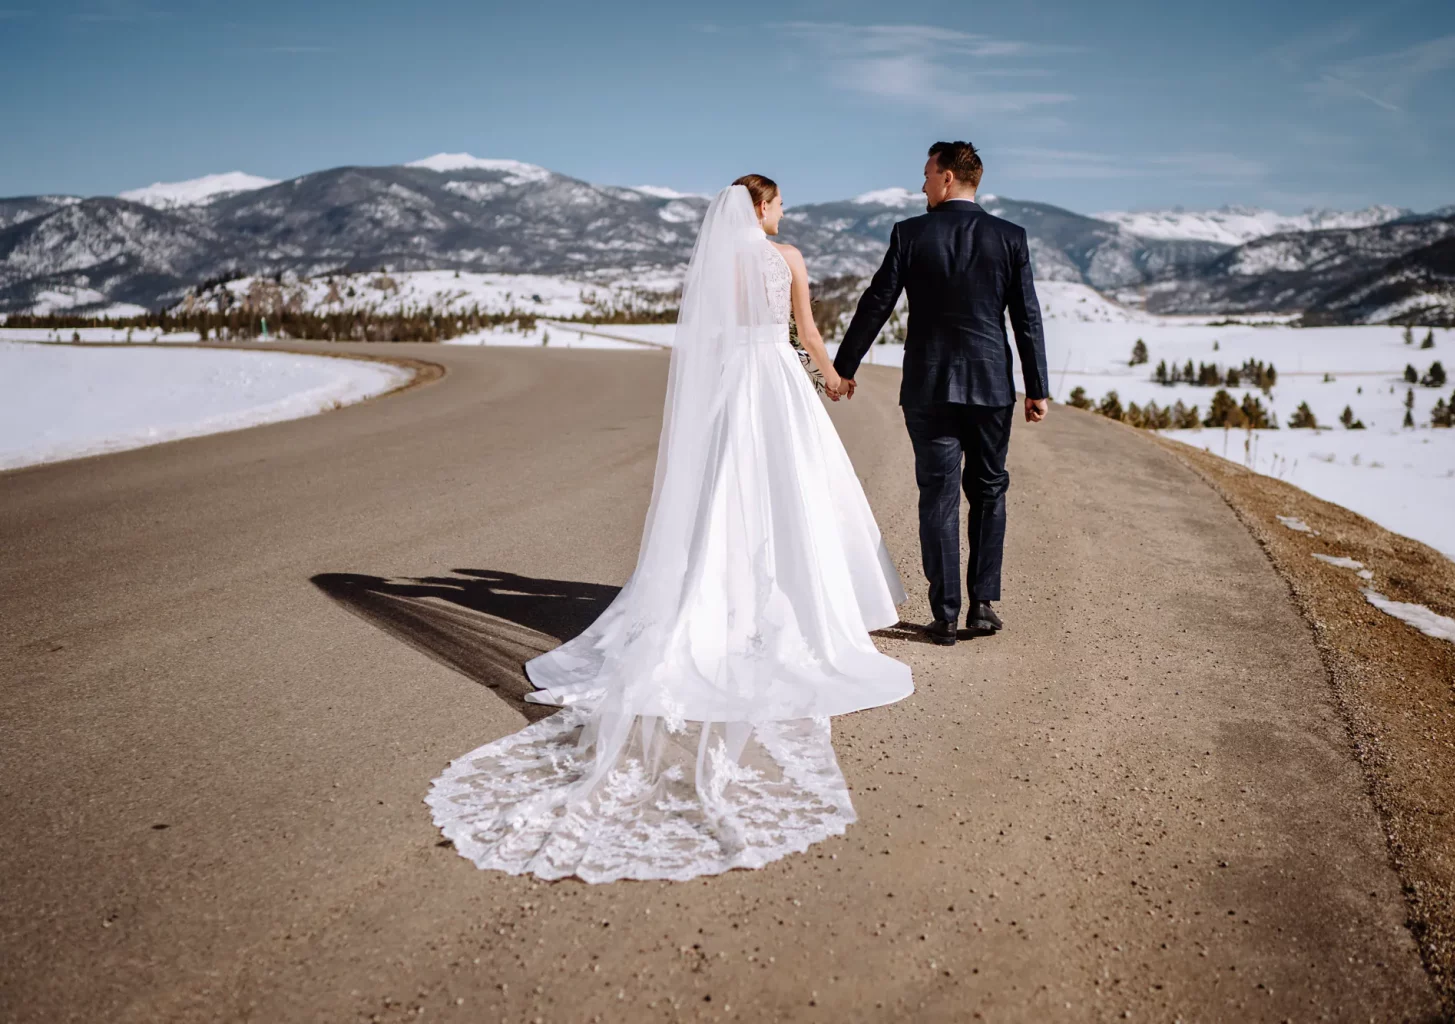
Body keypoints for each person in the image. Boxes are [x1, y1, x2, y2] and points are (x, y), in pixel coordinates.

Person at [426, 177, 913, 883]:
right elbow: (805, 332)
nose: (782, 214)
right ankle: (800, 602)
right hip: (777, 382)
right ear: (762, 209)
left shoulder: (721, 263)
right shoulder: (786, 259)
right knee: (792, 490)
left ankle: (721, 602)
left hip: (734, 388)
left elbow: (710, 339)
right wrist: (834, 380)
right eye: (778, 205)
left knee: (726, 500)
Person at [833, 141, 1048, 646]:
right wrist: (1036, 387)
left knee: (938, 495)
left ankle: (945, 615)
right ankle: (983, 604)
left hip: (928, 385)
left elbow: (877, 302)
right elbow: (1027, 317)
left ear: (948, 177)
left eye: (928, 174)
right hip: (991, 385)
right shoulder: (1010, 237)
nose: (923, 184)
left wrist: (844, 368)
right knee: (989, 489)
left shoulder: (910, 233)